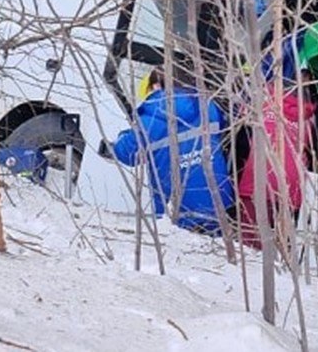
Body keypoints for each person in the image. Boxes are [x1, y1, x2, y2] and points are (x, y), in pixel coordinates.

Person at [100, 68, 235, 235]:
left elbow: (128, 153)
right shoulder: (209, 106)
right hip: (219, 202)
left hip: (178, 209)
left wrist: (118, 140)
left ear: (156, 86)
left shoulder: (153, 115)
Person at [237, 73, 317, 251]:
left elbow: (241, 140)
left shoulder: (262, 104)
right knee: (281, 249)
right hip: (292, 188)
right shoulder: (311, 117)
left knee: (249, 248)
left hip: (257, 179)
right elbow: (313, 153)